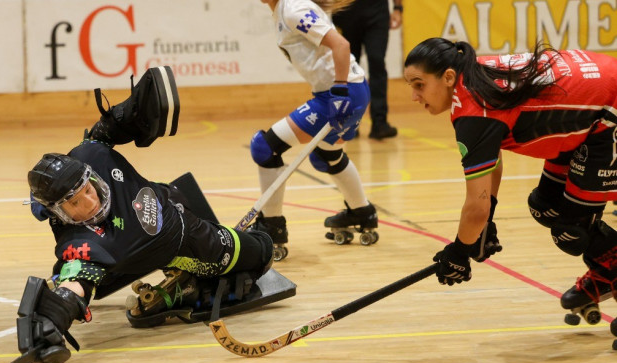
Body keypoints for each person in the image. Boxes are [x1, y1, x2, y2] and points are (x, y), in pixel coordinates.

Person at [20, 67, 283, 363]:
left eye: (88, 190)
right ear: (57, 212)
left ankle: (186, 282)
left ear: (87, 174)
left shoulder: (90, 156)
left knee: (261, 250)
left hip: (178, 210)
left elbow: (104, 132)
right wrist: (54, 318)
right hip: (176, 247)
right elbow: (77, 280)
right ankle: (184, 283)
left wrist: (130, 112)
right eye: (74, 204)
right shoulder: (82, 244)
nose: (90, 202)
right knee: (261, 251)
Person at [403, 38, 617, 329]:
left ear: (448, 77)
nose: (414, 96)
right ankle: (608, 269)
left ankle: (610, 269)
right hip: (593, 109)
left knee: (572, 229)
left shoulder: (472, 110)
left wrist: (458, 251)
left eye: (419, 84)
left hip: (608, 112)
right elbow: (491, 162)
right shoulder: (471, 76)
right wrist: (486, 220)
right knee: (546, 207)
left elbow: (473, 210)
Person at [251, 0, 379, 261]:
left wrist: (340, 90)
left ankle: (271, 226)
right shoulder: (284, 9)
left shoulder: (293, 8)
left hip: (340, 94)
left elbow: (341, 45)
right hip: (351, 90)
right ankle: (362, 212)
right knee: (326, 156)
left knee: (265, 147)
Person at [332, 0, 403, 139]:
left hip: (377, 11)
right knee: (349, 67)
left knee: (377, 63)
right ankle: (350, 124)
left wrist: (397, 8)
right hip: (346, 11)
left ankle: (379, 123)